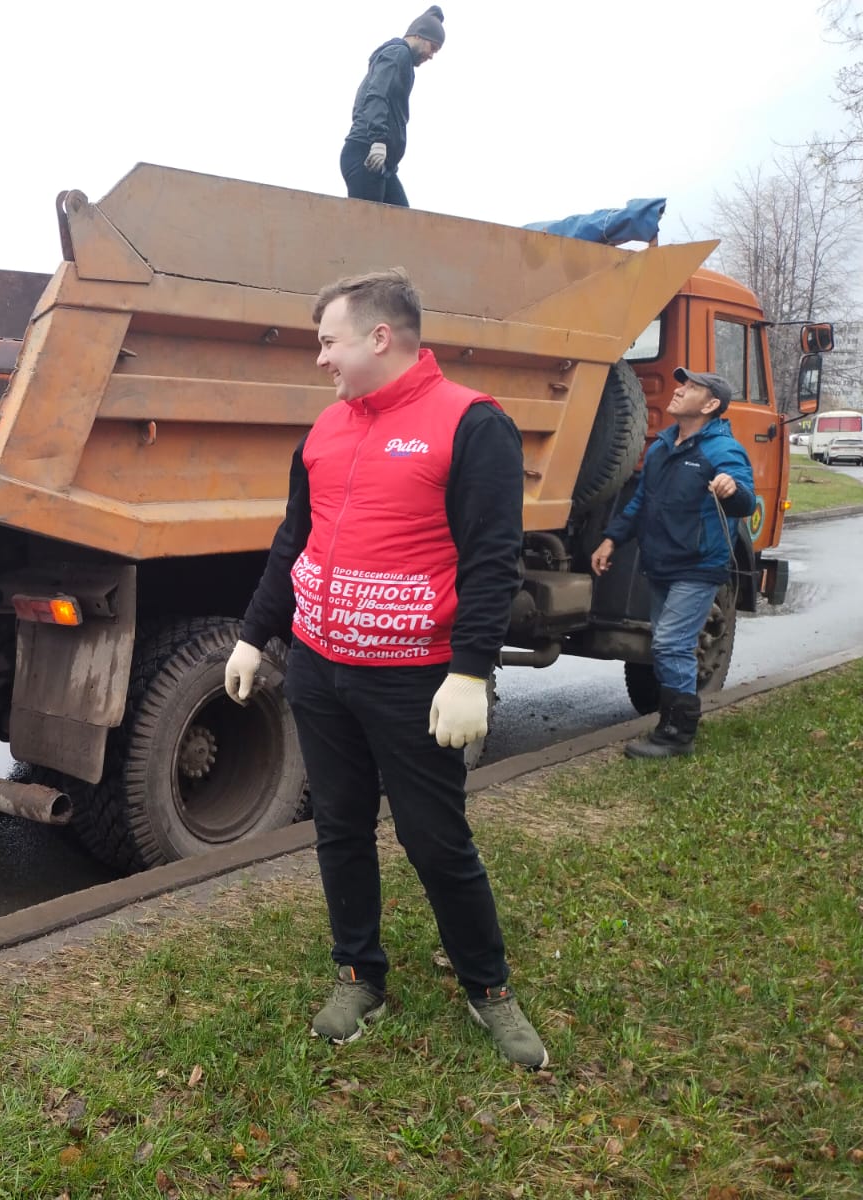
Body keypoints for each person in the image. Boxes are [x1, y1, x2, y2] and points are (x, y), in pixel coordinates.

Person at [225, 267, 547, 1069]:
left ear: (380, 336)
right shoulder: (326, 431)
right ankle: (359, 973)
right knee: (338, 827)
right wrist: (254, 633)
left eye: (329, 341)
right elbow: (290, 539)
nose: (321, 360)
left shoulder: (471, 423)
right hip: (321, 672)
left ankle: (490, 989)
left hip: (414, 679)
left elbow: (494, 559)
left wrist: (470, 671)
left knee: (434, 839)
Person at [591, 368, 754, 759]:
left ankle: (677, 735)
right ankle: (669, 725)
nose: (679, 390)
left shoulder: (721, 450)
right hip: (661, 563)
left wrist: (732, 489)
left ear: (711, 404)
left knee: (671, 643)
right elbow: (640, 502)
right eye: (682, 383)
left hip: (698, 566)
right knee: (665, 645)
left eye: (692, 388)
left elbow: (744, 498)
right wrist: (612, 539)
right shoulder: (663, 447)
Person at [341, 6, 445, 207]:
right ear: (419, 35)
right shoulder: (398, 53)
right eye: (433, 47)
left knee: (404, 226)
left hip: (383, 163)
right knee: (372, 231)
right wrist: (378, 141)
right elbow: (377, 94)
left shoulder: (401, 60)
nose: (431, 55)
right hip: (367, 153)